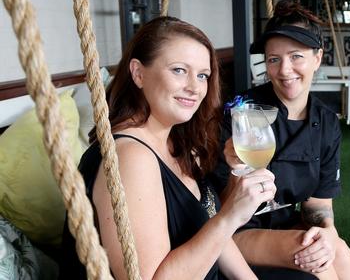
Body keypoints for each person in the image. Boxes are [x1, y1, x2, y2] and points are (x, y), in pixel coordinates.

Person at [60, 16, 276, 279]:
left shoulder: (180, 143)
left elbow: (209, 227)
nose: (195, 87)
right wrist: (230, 217)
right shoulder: (130, 156)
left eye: (202, 75)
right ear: (138, 73)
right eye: (179, 70)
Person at [216, 0, 350, 280]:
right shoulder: (243, 113)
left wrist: (327, 234)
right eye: (274, 59)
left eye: (296, 56)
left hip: (289, 225)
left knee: (342, 254)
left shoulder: (325, 122)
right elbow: (218, 206)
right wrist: (233, 168)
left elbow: (319, 206)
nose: (285, 70)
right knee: (320, 265)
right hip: (237, 232)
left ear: (317, 57)